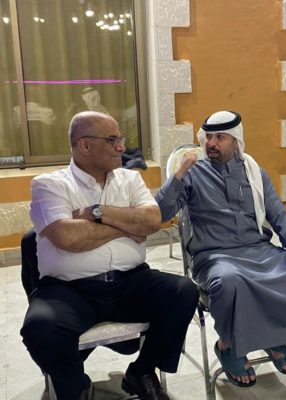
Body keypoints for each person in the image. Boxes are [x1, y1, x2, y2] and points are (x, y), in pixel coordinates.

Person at [21, 111, 198, 400]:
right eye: (112, 140)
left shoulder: (129, 180)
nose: (121, 147)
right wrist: (127, 227)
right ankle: (76, 388)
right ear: (85, 145)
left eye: (120, 139)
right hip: (70, 290)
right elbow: (67, 237)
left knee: (183, 291)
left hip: (130, 282)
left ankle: (141, 371)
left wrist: (97, 213)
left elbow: (152, 221)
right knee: (40, 327)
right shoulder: (49, 184)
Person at [155, 111, 286, 388]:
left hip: (258, 250)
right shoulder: (192, 173)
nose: (211, 143)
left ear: (235, 141)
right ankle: (228, 345)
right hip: (214, 255)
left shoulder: (253, 172)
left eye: (220, 138)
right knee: (229, 282)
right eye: (208, 137)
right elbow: (161, 213)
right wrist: (178, 174)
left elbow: (279, 214)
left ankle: (274, 335)